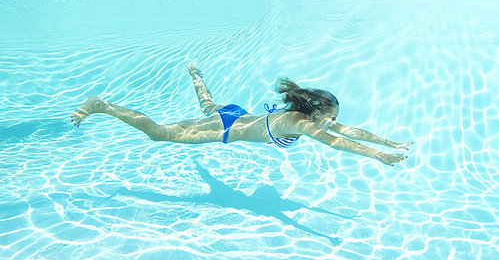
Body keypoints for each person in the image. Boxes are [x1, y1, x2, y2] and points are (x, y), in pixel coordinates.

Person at [71, 64, 412, 166]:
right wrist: (379, 155)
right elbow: (336, 142)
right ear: (313, 114)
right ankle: (101, 105)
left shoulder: (300, 113)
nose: (332, 123)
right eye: (329, 117)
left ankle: (195, 76)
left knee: (207, 105)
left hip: (239, 113)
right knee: (158, 133)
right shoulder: (300, 123)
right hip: (228, 126)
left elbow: (349, 131)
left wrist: (388, 141)